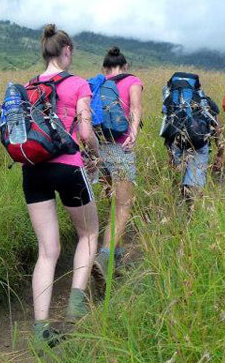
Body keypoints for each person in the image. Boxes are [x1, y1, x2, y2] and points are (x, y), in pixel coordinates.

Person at [22, 24, 99, 347]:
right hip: (68, 167)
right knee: (89, 233)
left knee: (47, 251)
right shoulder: (78, 83)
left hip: (32, 170)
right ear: (66, 51)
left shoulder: (28, 86)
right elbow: (84, 132)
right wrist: (95, 155)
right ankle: (76, 307)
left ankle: (41, 331)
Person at [90, 47, 143, 279]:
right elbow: (135, 107)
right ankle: (104, 256)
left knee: (113, 203)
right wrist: (133, 133)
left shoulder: (97, 83)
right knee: (123, 206)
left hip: (98, 149)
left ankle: (115, 260)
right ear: (126, 65)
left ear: (105, 68)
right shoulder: (133, 80)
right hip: (120, 148)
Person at [160, 72, 225, 203]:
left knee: (179, 175)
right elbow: (218, 128)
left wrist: (171, 156)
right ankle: (192, 208)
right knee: (195, 179)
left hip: (176, 143)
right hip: (199, 142)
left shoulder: (170, 102)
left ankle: (179, 204)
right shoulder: (204, 100)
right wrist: (220, 153)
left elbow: (166, 129)